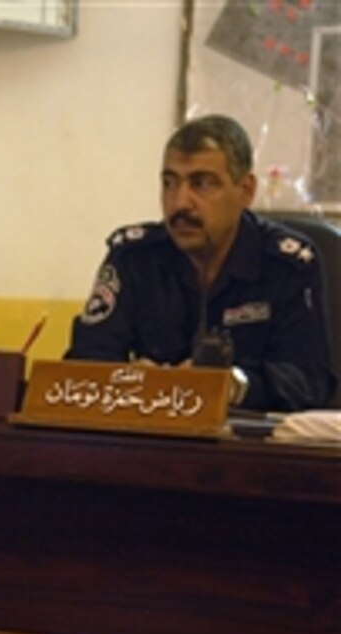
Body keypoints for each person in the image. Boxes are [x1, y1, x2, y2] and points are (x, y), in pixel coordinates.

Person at [65, 114, 336, 411]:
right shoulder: (133, 257)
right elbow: (84, 362)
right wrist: (126, 378)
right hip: (150, 439)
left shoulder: (287, 264)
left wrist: (233, 385)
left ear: (245, 190)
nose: (180, 202)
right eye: (170, 183)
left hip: (248, 449)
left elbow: (310, 381)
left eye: (202, 184)